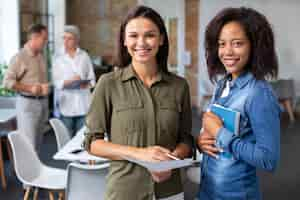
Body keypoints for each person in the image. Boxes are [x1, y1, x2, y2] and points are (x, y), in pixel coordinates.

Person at [84, 5, 194, 200]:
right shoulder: (108, 84)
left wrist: (170, 161)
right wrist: (139, 153)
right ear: (124, 41)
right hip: (125, 191)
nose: (141, 42)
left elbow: (185, 140)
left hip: (169, 191)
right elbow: (93, 143)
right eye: (133, 36)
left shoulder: (179, 86)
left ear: (161, 39)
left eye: (149, 35)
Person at [197, 7, 281, 200]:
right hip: (208, 192)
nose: (227, 51)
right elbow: (215, 133)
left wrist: (219, 133)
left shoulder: (259, 94)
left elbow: (268, 160)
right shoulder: (222, 84)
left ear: (255, 46)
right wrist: (203, 142)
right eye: (221, 44)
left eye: (237, 44)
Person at [3, 23, 49, 151]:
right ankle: (24, 171)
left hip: (42, 103)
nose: (46, 41)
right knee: (29, 146)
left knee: (38, 144)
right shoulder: (19, 58)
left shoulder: (40, 56)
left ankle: (35, 171)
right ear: (34, 37)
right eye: (44, 38)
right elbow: (7, 82)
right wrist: (30, 88)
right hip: (27, 105)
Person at [52, 25, 96, 137]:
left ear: (76, 40)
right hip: (66, 106)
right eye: (64, 38)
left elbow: (92, 79)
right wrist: (71, 80)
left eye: (69, 38)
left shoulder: (84, 56)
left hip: (83, 105)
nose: (66, 41)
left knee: (82, 140)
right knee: (66, 140)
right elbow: (56, 82)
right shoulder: (58, 58)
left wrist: (86, 84)